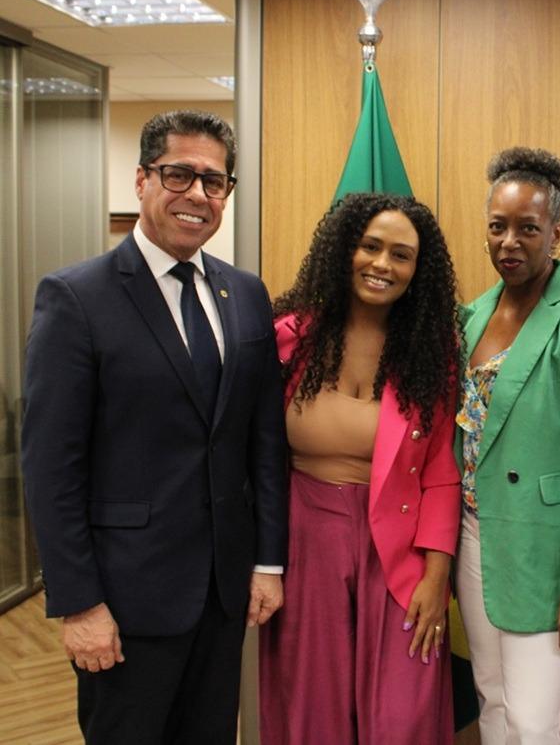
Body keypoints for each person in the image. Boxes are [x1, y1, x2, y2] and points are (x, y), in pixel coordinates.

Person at [21, 110, 288, 744]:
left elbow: (263, 441)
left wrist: (268, 563)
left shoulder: (245, 294)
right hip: (125, 599)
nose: (198, 194)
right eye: (179, 175)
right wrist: (79, 603)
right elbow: (50, 467)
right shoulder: (76, 297)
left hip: (224, 595)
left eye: (215, 181)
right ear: (142, 180)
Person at [258, 193, 461, 745]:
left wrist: (437, 576)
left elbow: (442, 472)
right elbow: (252, 454)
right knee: (311, 704)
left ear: (418, 271)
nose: (382, 265)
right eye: (370, 246)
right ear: (344, 249)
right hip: (303, 537)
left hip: (400, 548)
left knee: (403, 713)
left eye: (401, 255)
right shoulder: (285, 338)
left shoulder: (430, 353)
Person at [455, 147, 560, 744]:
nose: (510, 241)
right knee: (494, 704)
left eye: (528, 228)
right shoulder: (471, 315)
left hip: (545, 550)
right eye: (498, 227)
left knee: (534, 720)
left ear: (555, 232)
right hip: (475, 535)